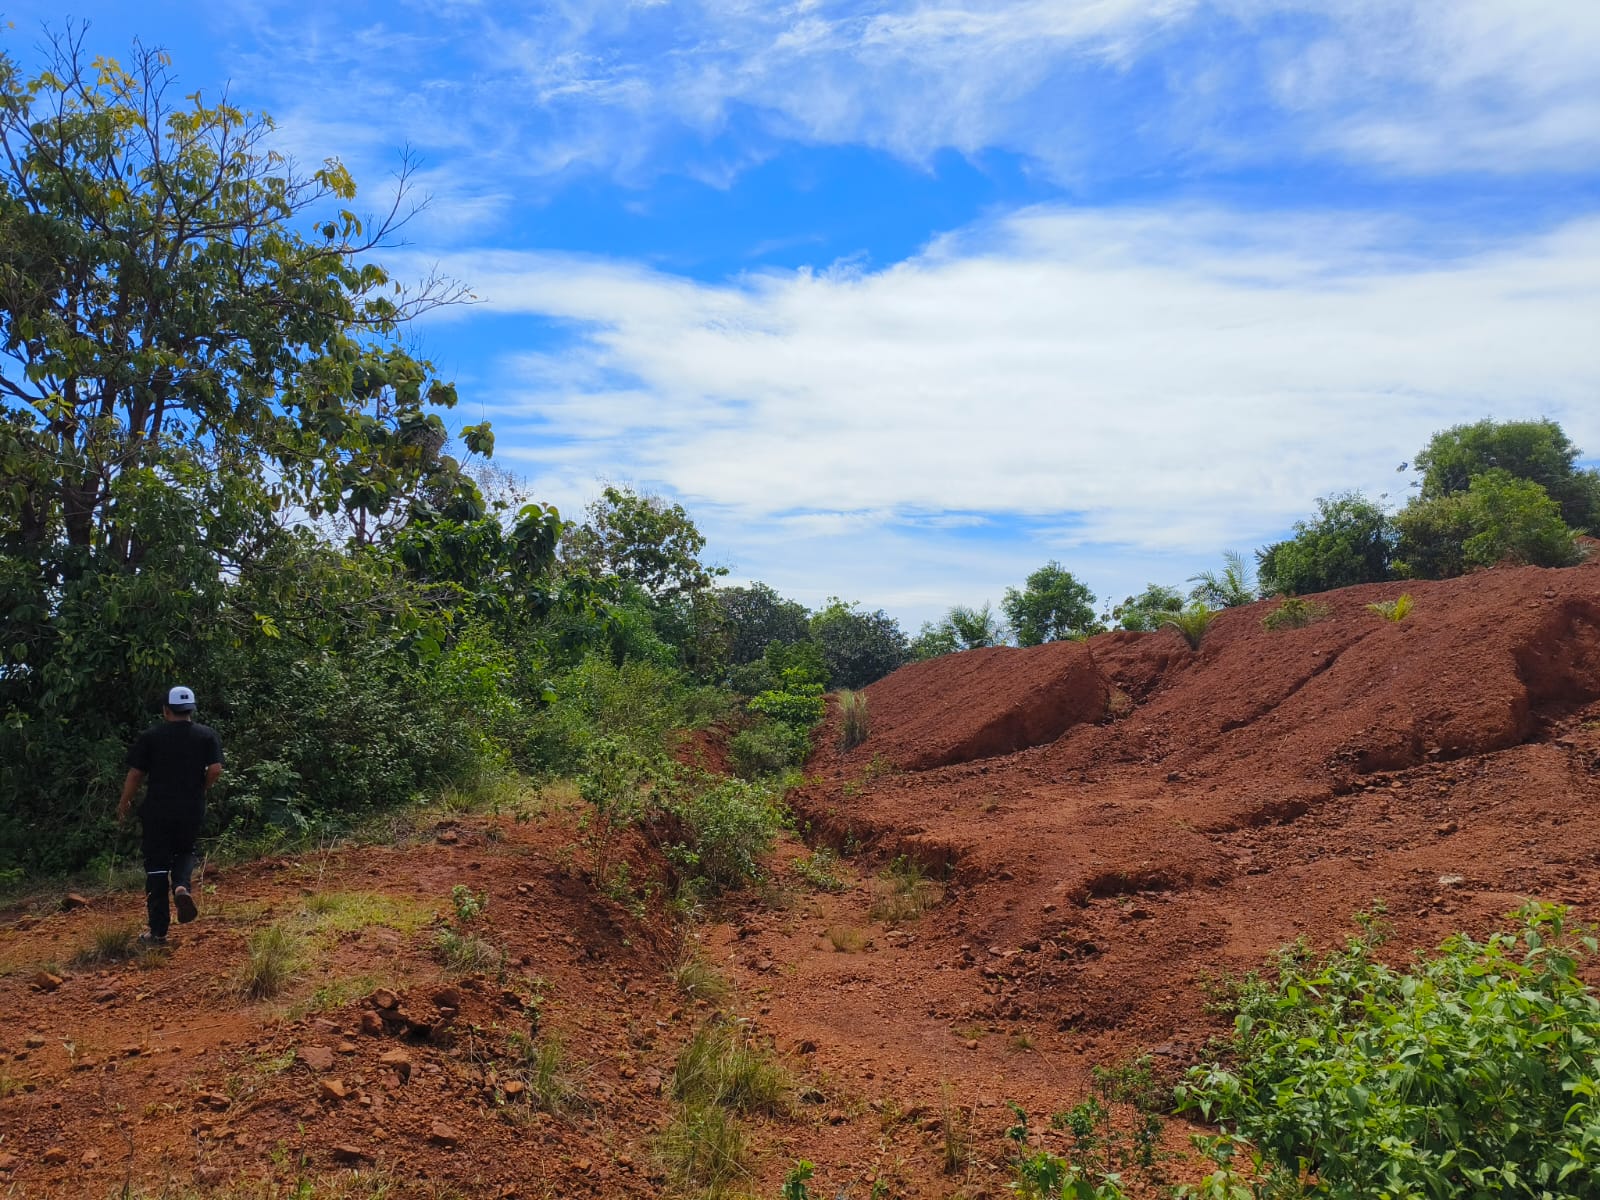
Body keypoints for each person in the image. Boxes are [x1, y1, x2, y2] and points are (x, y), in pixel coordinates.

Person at [117, 686, 224, 946]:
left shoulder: (151, 737)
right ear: (191, 709)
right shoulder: (206, 735)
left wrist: (124, 802)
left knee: (156, 866)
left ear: (166, 710)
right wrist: (201, 789)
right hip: (191, 808)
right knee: (186, 851)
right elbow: (215, 769)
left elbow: (135, 774)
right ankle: (181, 886)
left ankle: (157, 932)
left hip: (158, 810)